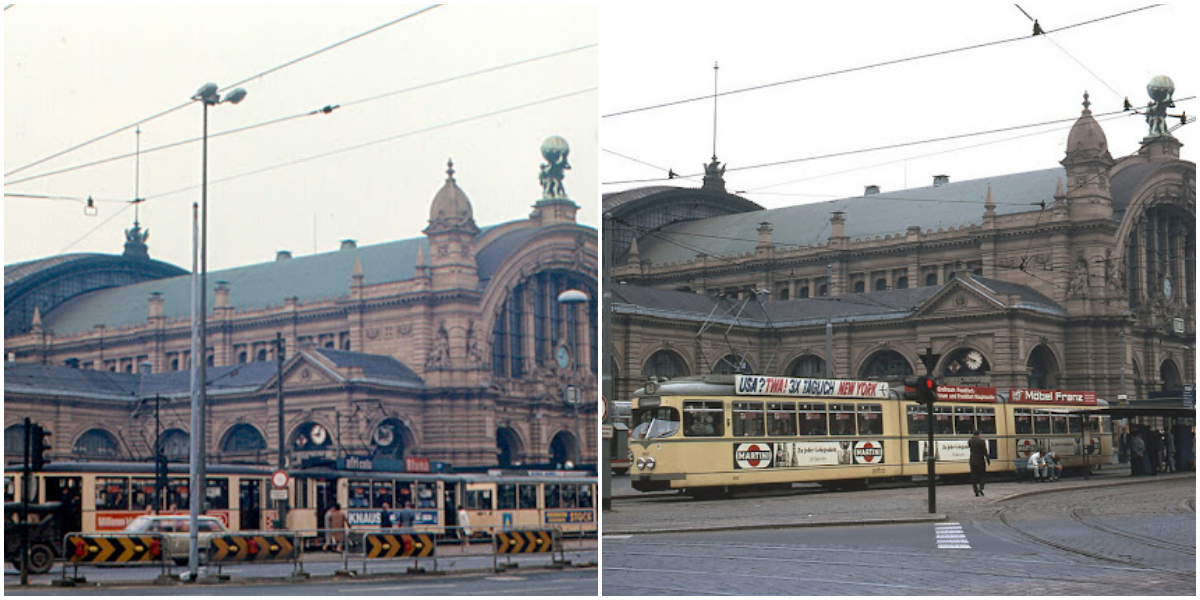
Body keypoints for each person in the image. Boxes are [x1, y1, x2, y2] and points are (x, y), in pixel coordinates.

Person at [968, 430, 990, 496]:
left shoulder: (970, 441)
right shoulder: (981, 441)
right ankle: (981, 488)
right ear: (978, 435)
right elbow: (984, 451)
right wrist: (988, 460)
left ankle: (976, 491)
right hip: (980, 460)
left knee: (973, 476)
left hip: (972, 460)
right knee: (982, 475)